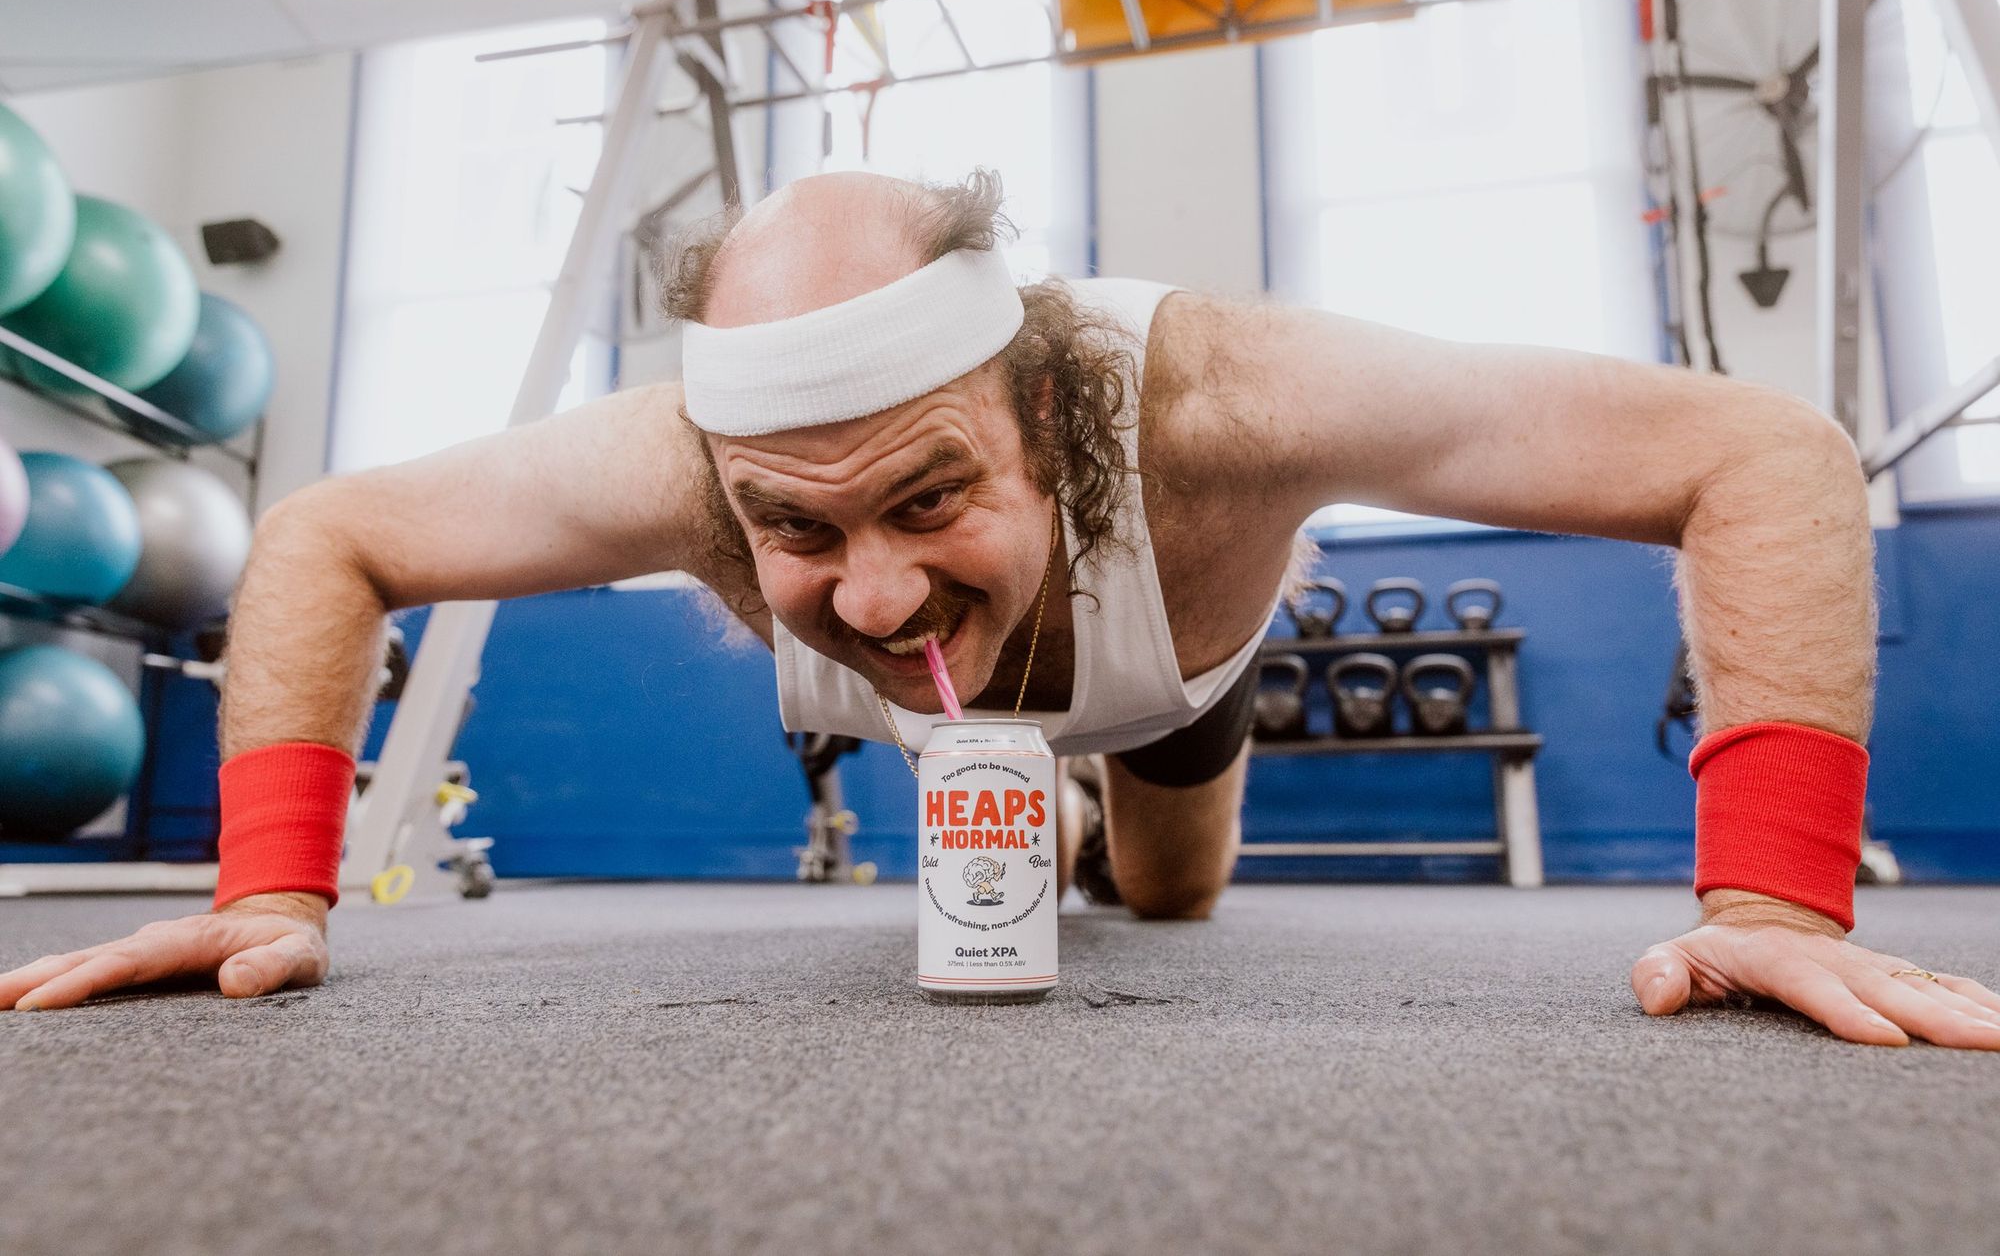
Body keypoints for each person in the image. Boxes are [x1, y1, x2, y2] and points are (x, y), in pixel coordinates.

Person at [5, 170, 1996, 1051]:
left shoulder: (1236, 395)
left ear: (1050, 408)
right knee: (975, 809)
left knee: (1173, 906)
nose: (863, 582)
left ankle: (1076, 819)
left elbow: (1757, 449)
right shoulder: (667, 463)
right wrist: (269, 886)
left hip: (1173, 694)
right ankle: (1010, 809)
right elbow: (329, 531)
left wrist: (1765, 898)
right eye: (799, 526)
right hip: (937, 724)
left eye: (931, 491)